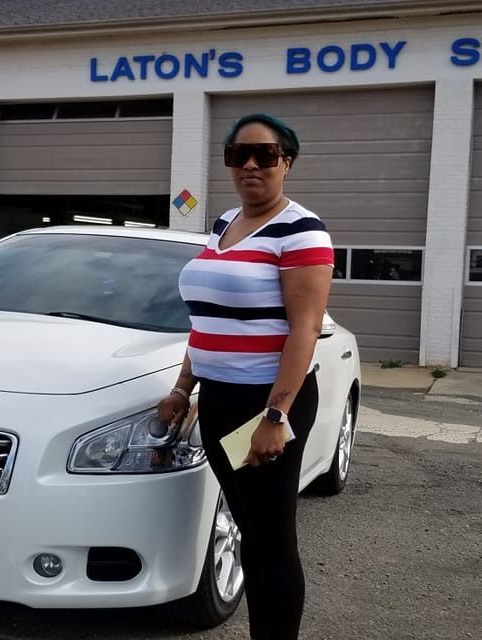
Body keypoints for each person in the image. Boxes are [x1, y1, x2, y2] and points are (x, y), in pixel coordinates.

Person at [158, 113, 334, 640]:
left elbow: (304, 330)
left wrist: (275, 416)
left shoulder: (302, 230)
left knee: (270, 537)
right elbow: (207, 320)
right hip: (219, 405)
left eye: (266, 154)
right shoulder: (224, 223)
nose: (251, 165)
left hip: (267, 406)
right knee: (250, 526)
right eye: (239, 155)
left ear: (288, 162)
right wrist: (182, 387)